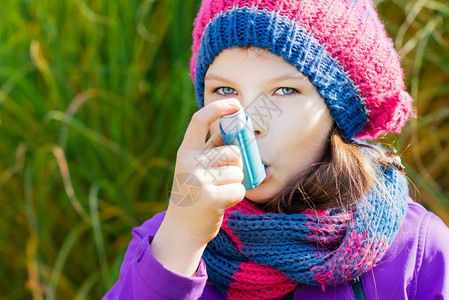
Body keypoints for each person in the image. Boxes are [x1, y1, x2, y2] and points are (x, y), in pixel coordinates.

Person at [104, 0, 449, 299]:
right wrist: (181, 238)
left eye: (284, 90)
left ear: (337, 114)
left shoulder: (418, 251)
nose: (249, 121)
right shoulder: (160, 243)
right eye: (224, 90)